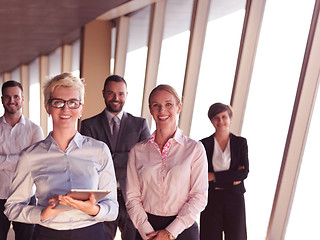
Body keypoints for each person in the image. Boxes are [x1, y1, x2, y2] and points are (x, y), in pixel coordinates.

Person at [4, 72, 118, 240]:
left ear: (81, 108)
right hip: (47, 234)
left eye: (73, 102)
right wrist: (42, 214)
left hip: (91, 233)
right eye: (58, 102)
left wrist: (93, 209)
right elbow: (12, 208)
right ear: (47, 107)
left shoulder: (99, 150)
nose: (66, 109)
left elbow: (113, 208)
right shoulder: (30, 156)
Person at [126, 84, 208, 240]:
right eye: (156, 105)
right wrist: (147, 232)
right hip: (147, 230)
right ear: (150, 110)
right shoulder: (137, 151)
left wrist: (171, 232)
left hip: (184, 229)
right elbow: (132, 198)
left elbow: (199, 197)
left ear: (178, 108)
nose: (162, 110)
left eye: (168, 104)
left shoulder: (195, 149)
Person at [80, 74, 150, 240]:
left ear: (126, 95)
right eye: (111, 93)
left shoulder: (140, 124)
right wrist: (129, 157)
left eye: (120, 94)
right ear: (103, 93)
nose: (116, 98)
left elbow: (146, 159)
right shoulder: (89, 125)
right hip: (101, 198)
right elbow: (89, 162)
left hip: (132, 197)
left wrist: (107, 158)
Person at [0, 80, 44, 240]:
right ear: (2, 99)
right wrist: (22, 160)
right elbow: (28, 162)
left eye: (16, 96)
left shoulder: (34, 129)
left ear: (23, 99)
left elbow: (36, 162)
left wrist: (3, 160)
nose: (12, 101)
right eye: (7, 97)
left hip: (25, 196)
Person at [200, 103, 249, 240]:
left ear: (230, 118)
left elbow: (243, 173)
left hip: (235, 199)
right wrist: (231, 178)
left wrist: (214, 176)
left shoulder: (240, 143)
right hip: (211, 199)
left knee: (236, 237)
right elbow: (200, 175)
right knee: (209, 236)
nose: (220, 121)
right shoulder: (203, 144)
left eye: (224, 117)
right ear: (211, 121)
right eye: (216, 118)